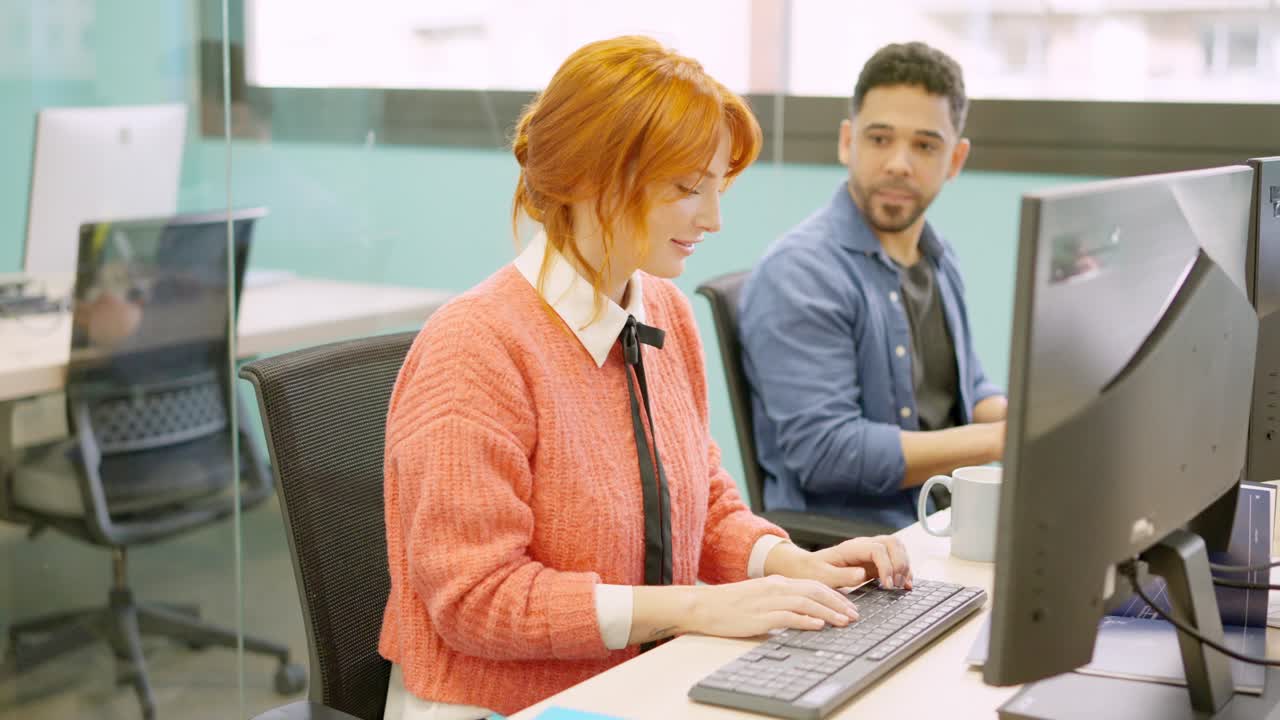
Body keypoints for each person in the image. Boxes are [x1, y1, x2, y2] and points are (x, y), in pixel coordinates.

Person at [377, 36, 913, 719]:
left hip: (640, 680)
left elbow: (704, 503)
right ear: (588, 178)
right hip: (501, 706)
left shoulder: (661, 308)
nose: (714, 219)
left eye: (717, 187)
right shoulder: (475, 347)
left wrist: (790, 563)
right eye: (689, 189)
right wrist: (698, 606)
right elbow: (477, 601)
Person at [738, 42, 1008, 532]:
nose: (899, 163)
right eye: (880, 139)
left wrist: (1035, 418)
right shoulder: (801, 272)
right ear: (848, 142)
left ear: (956, 159)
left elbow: (964, 391)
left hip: (944, 522)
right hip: (863, 549)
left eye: (925, 145)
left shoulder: (938, 256)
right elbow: (829, 452)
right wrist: (1001, 440)